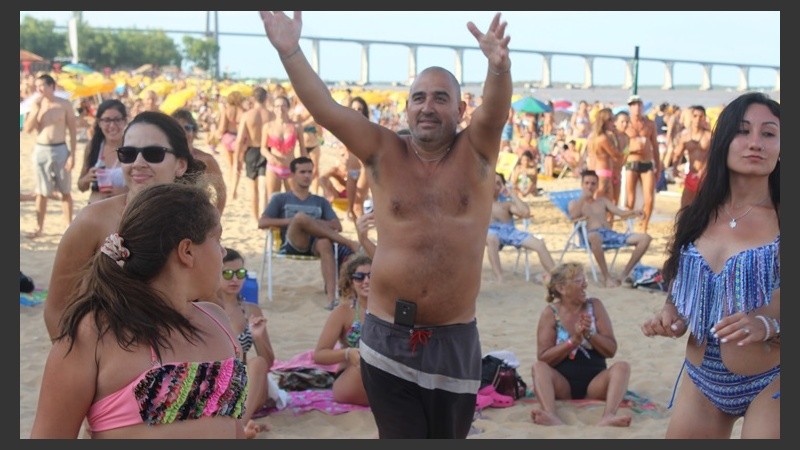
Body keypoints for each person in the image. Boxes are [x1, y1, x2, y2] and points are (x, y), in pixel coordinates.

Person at [259, 11, 511, 438]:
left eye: (440, 98)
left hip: (454, 338)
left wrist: (499, 68)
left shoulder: (477, 153)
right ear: (407, 107)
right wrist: (291, 52)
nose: (427, 107)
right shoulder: (382, 150)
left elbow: (496, 110)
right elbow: (327, 110)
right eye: (419, 98)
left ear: (460, 108)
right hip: (387, 334)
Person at [31, 183, 249, 439]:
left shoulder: (217, 320)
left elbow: (234, 429)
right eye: (218, 239)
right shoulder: (93, 335)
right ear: (187, 251)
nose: (223, 251)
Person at [640, 92, 780, 439]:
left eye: (769, 134)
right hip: (701, 379)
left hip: (773, 378)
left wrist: (767, 324)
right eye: (743, 131)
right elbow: (683, 285)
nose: (755, 143)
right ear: (724, 141)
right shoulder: (697, 215)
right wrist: (671, 313)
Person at [43, 111, 208, 340]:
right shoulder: (93, 220)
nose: (138, 163)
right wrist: (77, 362)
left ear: (180, 165)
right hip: (112, 364)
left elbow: (208, 297)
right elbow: (57, 308)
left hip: (179, 359)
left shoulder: (198, 221)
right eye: (128, 154)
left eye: (153, 153)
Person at [529, 262, 631, 427]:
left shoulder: (594, 306)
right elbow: (544, 357)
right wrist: (573, 342)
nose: (585, 284)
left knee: (622, 367)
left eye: (584, 279)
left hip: (595, 384)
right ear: (562, 288)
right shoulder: (550, 313)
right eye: (578, 281)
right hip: (563, 386)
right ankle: (551, 414)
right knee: (538, 368)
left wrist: (589, 335)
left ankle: (609, 416)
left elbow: (611, 350)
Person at [258, 156, 359, 311]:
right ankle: (348, 242)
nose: (307, 175)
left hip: (315, 245)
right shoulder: (281, 199)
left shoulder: (320, 201)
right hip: (293, 242)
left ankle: (331, 298)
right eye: (302, 172)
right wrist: (295, 221)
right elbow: (262, 222)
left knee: (325, 242)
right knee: (300, 217)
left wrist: (311, 223)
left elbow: (337, 225)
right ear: (292, 174)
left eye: (310, 172)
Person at [215, 247, 274, 437]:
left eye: (240, 273)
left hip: (246, 384)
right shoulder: (207, 306)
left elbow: (269, 362)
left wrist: (257, 337)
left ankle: (240, 425)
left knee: (258, 362)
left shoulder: (251, 310)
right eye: (228, 273)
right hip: (218, 381)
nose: (235, 279)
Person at [568, 170, 651, 288]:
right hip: (592, 236)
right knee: (594, 236)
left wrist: (633, 212)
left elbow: (620, 213)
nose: (589, 186)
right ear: (582, 185)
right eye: (586, 183)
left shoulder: (602, 201)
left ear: (597, 186)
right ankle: (607, 277)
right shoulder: (575, 203)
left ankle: (624, 275)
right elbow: (573, 216)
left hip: (611, 234)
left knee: (645, 238)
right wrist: (582, 198)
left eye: (593, 183)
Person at [313, 255, 373, 406]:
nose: (366, 281)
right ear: (351, 283)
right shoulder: (344, 312)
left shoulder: (391, 310)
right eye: (359, 277)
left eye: (372, 276)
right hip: (352, 375)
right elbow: (319, 355)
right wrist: (347, 353)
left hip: (383, 376)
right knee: (365, 364)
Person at [23, 73, 78, 238]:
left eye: (43, 86)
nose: (39, 89)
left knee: (65, 190)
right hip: (41, 149)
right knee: (42, 191)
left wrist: (72, 155)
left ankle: (68, 227)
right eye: (38, 86)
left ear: (51, 86)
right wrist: (36, 110)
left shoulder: (64, 104)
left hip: (60, 148)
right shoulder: (35, 104)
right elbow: (28, 129)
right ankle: (39, 227)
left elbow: (73, 131)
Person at [486, 172, 555, 283]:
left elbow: (525, 213)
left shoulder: (506, 204)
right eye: (492, 182)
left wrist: (512, 194)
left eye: (498, 183)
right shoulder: (479, 202)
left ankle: (555, 275)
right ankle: (499, 277)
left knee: (539, 243)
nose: (495, 186)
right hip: (490, 231)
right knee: (491, 238)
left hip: (509, 231)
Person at [172, 108, 227, 214]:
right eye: (178, 128)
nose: (184, 132)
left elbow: (221, 192)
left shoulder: (206, 160)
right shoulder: (163, 158)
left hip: (197, 217)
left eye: (188, 128)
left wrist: (216, 217)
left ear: (194, 131)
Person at [76, 99, 129, 204]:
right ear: (99, 123)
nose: (112, 125)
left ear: (125, 121)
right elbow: (81, 187)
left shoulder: (133, 149)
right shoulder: (93, 147)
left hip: (123, 211)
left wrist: (122, 191)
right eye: (107, 120)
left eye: (117, 120)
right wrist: (87, 178)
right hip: (95, 209)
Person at [234, 86, 273, 221]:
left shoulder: (247, 115)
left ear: (253, 98)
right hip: (267, 150)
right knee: (264, 188)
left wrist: (236, 160)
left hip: (251, 151)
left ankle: (256, 219)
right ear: (266, 98)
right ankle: (264, 216)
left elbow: (239, 140)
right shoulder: (271, 115)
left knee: (253, 190)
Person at [623, 95, 660, 233]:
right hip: (632, 162)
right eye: (633, 105)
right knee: (630, 198)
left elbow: (655, 146)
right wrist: (631, 149)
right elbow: (620, 146)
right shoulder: (625, 124)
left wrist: (659, 166)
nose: (636, 107)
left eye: (638, 104)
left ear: (642, 106)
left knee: (649, 198)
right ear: (630, 107)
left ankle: (644, 225)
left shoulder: (649, 124)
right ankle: (629, 226)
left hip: (646, 162)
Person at [262, 94, 307, 203]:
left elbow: (302, 149)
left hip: (291, 168)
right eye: (277, 106)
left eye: (283, 105)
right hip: (273, 168)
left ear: (288, 107)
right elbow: (263, 148)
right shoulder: (268, 126)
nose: (280, 109)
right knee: (273, 200)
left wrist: (305, 168)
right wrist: (269, 156)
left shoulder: (296, 126)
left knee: (292, 200)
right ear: (273, 108)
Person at [672, 105, 712, 208]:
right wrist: (675, 168)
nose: (698, 119)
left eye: (701, 116)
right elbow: (677, 153)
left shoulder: (709, 136)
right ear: (691, 117)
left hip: (706, 177)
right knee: (685, 207)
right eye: (695, 116)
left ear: (704, 118)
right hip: (692, 174)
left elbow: (713, 156)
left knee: (704, 208)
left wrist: (703, 171)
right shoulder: (685, 136)